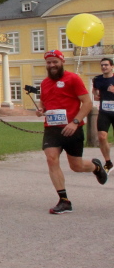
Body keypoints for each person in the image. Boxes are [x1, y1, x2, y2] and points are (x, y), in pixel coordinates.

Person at [35, 50, 107, 214]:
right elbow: (43, 103)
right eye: (49, 62)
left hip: (72, 128)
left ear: (62, 62)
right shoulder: (45, 83)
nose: (52, 65)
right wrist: (41, 110)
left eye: (55, 62)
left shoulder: (73, 78)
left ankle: (96, 167)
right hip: (52, 128)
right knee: (51, 159)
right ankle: (64, 200)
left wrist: (74, 122)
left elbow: (87, 103)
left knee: (77, 166)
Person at [91, 57, 114, 171]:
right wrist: (95, 94)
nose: (104, 67)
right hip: (104, 112)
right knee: (101, 136)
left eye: (106, 65)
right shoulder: (97, 79)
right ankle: (108, 162)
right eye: (102, 65)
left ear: (112, 67)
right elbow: (94, 89)